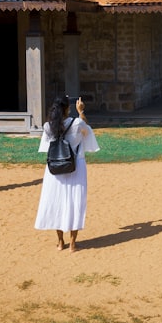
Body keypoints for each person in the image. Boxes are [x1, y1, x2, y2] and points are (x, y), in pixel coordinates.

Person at [35, 95, 99, 252]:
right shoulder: (76, 123)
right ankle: (72, 243)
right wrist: (81, 111)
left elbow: (45, 147)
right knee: (75, 202)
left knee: (56, 202)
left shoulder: (48, 126)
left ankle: (60, 242)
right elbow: (87, 130)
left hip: (55, 169)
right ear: (67, 108)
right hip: (75, 166)